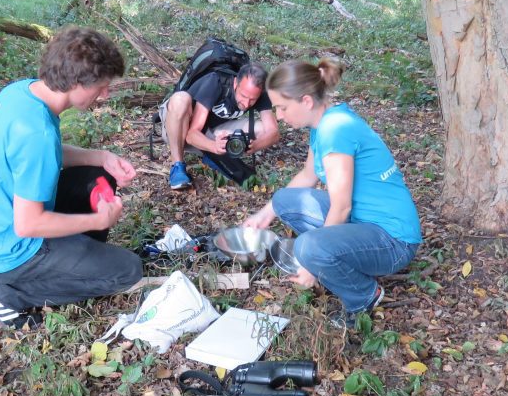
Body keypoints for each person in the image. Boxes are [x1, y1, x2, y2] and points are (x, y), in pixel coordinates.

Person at [0, 26, 143, 328]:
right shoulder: (36, 133)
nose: (106, 94)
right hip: (7, 250)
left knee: (97, 177)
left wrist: (102, 158)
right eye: (102, 86)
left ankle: (72, 255)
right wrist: (98, 221)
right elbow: (29, 224)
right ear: (77, 83)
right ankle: (5, 292)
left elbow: (39, 157)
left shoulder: (21, 93)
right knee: (127, 270)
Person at [243, 58, 422, 329]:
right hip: (366, 223)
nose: (279, 116)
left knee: (308, 247)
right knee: (283, 200)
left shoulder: (335, 129)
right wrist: (265, 213)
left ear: (305, 101)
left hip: (394, 242)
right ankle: (339, 261)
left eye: (282, 107)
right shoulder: (324, 122)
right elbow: (307, 175)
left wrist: (311, 265)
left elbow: (341, 207)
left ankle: (363, 296)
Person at [160, 63, 280, 189]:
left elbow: (274, 132)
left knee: (261, 129)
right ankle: (177, 165)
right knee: (180, 99)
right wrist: (213, 146)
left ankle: (215, 155)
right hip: (180, 130)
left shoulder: (260, 92)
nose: (246, 103)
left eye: (252, 99)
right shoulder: (215, 82)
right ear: (235, 83)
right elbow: (191, 134)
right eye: (243, 96)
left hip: (211, 130)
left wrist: (255, 145)